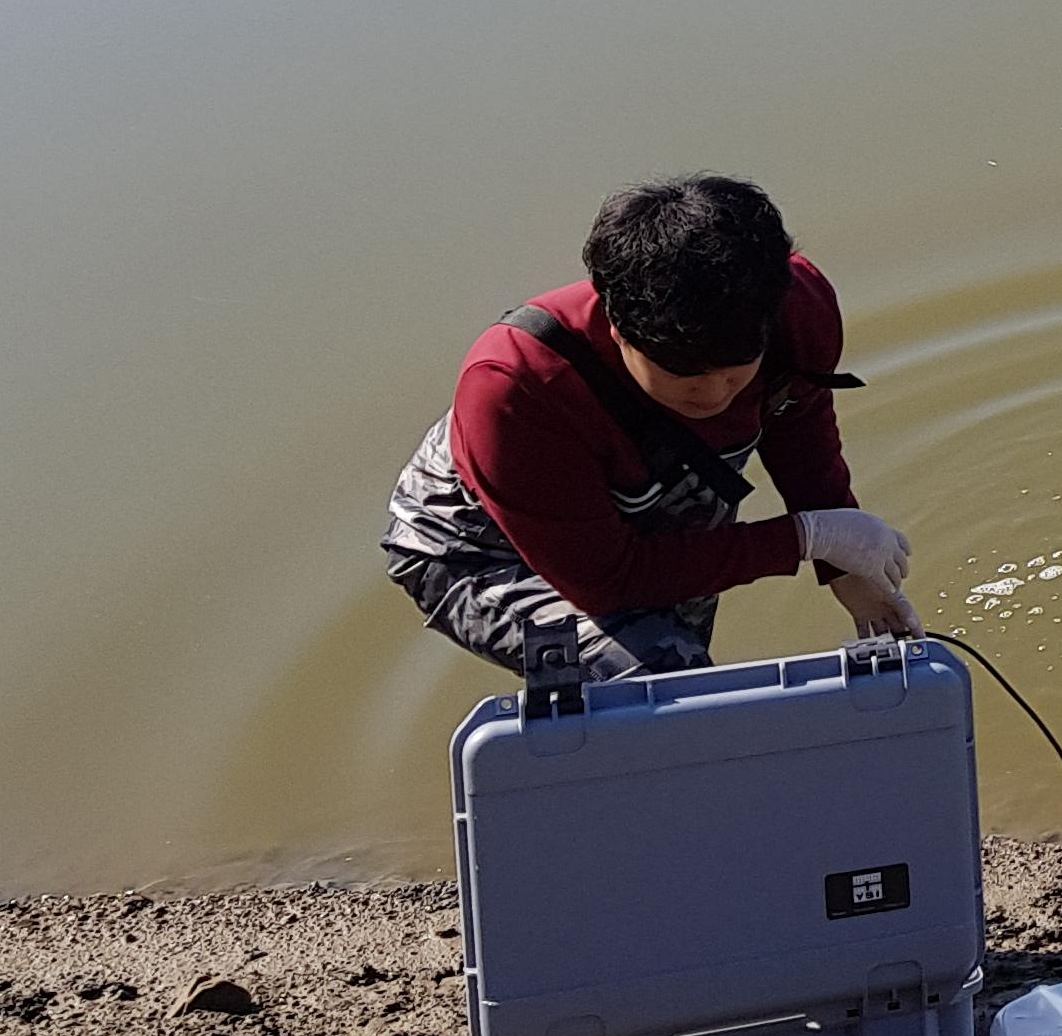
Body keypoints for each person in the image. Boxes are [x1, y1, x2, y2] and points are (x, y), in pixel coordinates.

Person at [381, 175, 917, 680]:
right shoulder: (516, 386)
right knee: (664, 677)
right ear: (618, 330)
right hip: (481, 543)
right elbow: (610, 579)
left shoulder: (795, 307)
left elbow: (797, 425)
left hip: (653, 481)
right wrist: (806, 537)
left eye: (735, 374)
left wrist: (845, 567)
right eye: (682, 375)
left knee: (680, 644)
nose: (712, 396)